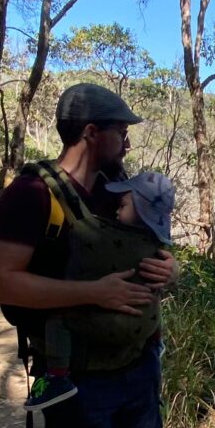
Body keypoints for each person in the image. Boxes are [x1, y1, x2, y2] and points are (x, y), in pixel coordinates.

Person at [0, 83, 182, 428]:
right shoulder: (29, 196)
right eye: (121, 130)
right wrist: (94, 293)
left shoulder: (116, 193)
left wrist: (173, 270)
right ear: (92, 132)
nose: (126, 139)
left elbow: (151, 249)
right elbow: (3, 283)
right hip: (75, 376)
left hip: (138, 365)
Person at [22, 172, 176, 413]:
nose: (116, 211)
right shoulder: (156, 243)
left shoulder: (105, 238)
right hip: (143, 333)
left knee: (57, 318)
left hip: (103, 347)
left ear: (140, 209)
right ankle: (157, 343)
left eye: (123, 205)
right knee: (152, 297)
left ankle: (57, 376)